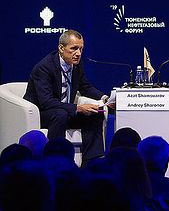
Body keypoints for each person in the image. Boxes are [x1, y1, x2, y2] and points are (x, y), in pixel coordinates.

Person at [24, 30, 109, 166]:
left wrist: (105, 99)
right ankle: (58, 162)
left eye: (81, 49)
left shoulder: (76, 64)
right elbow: (46, 102)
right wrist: (77, 108)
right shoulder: (44, 68)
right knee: (60, 114)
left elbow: (85, 87)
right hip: (42, 113)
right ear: (61, 48)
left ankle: (91, 164)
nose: (78, 53)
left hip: (65, 111)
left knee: (96, 113)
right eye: (74, 49)